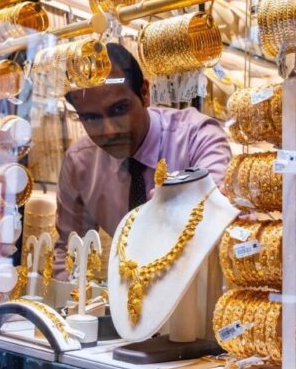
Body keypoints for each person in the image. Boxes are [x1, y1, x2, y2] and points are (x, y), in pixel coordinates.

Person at [55, 43, 232, 268]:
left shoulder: (197, 136)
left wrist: (181, 204)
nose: (109, 131)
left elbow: (215, 211)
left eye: (119, 110)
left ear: (145, 93)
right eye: (91, 118)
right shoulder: (81, 162)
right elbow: (69, 253)